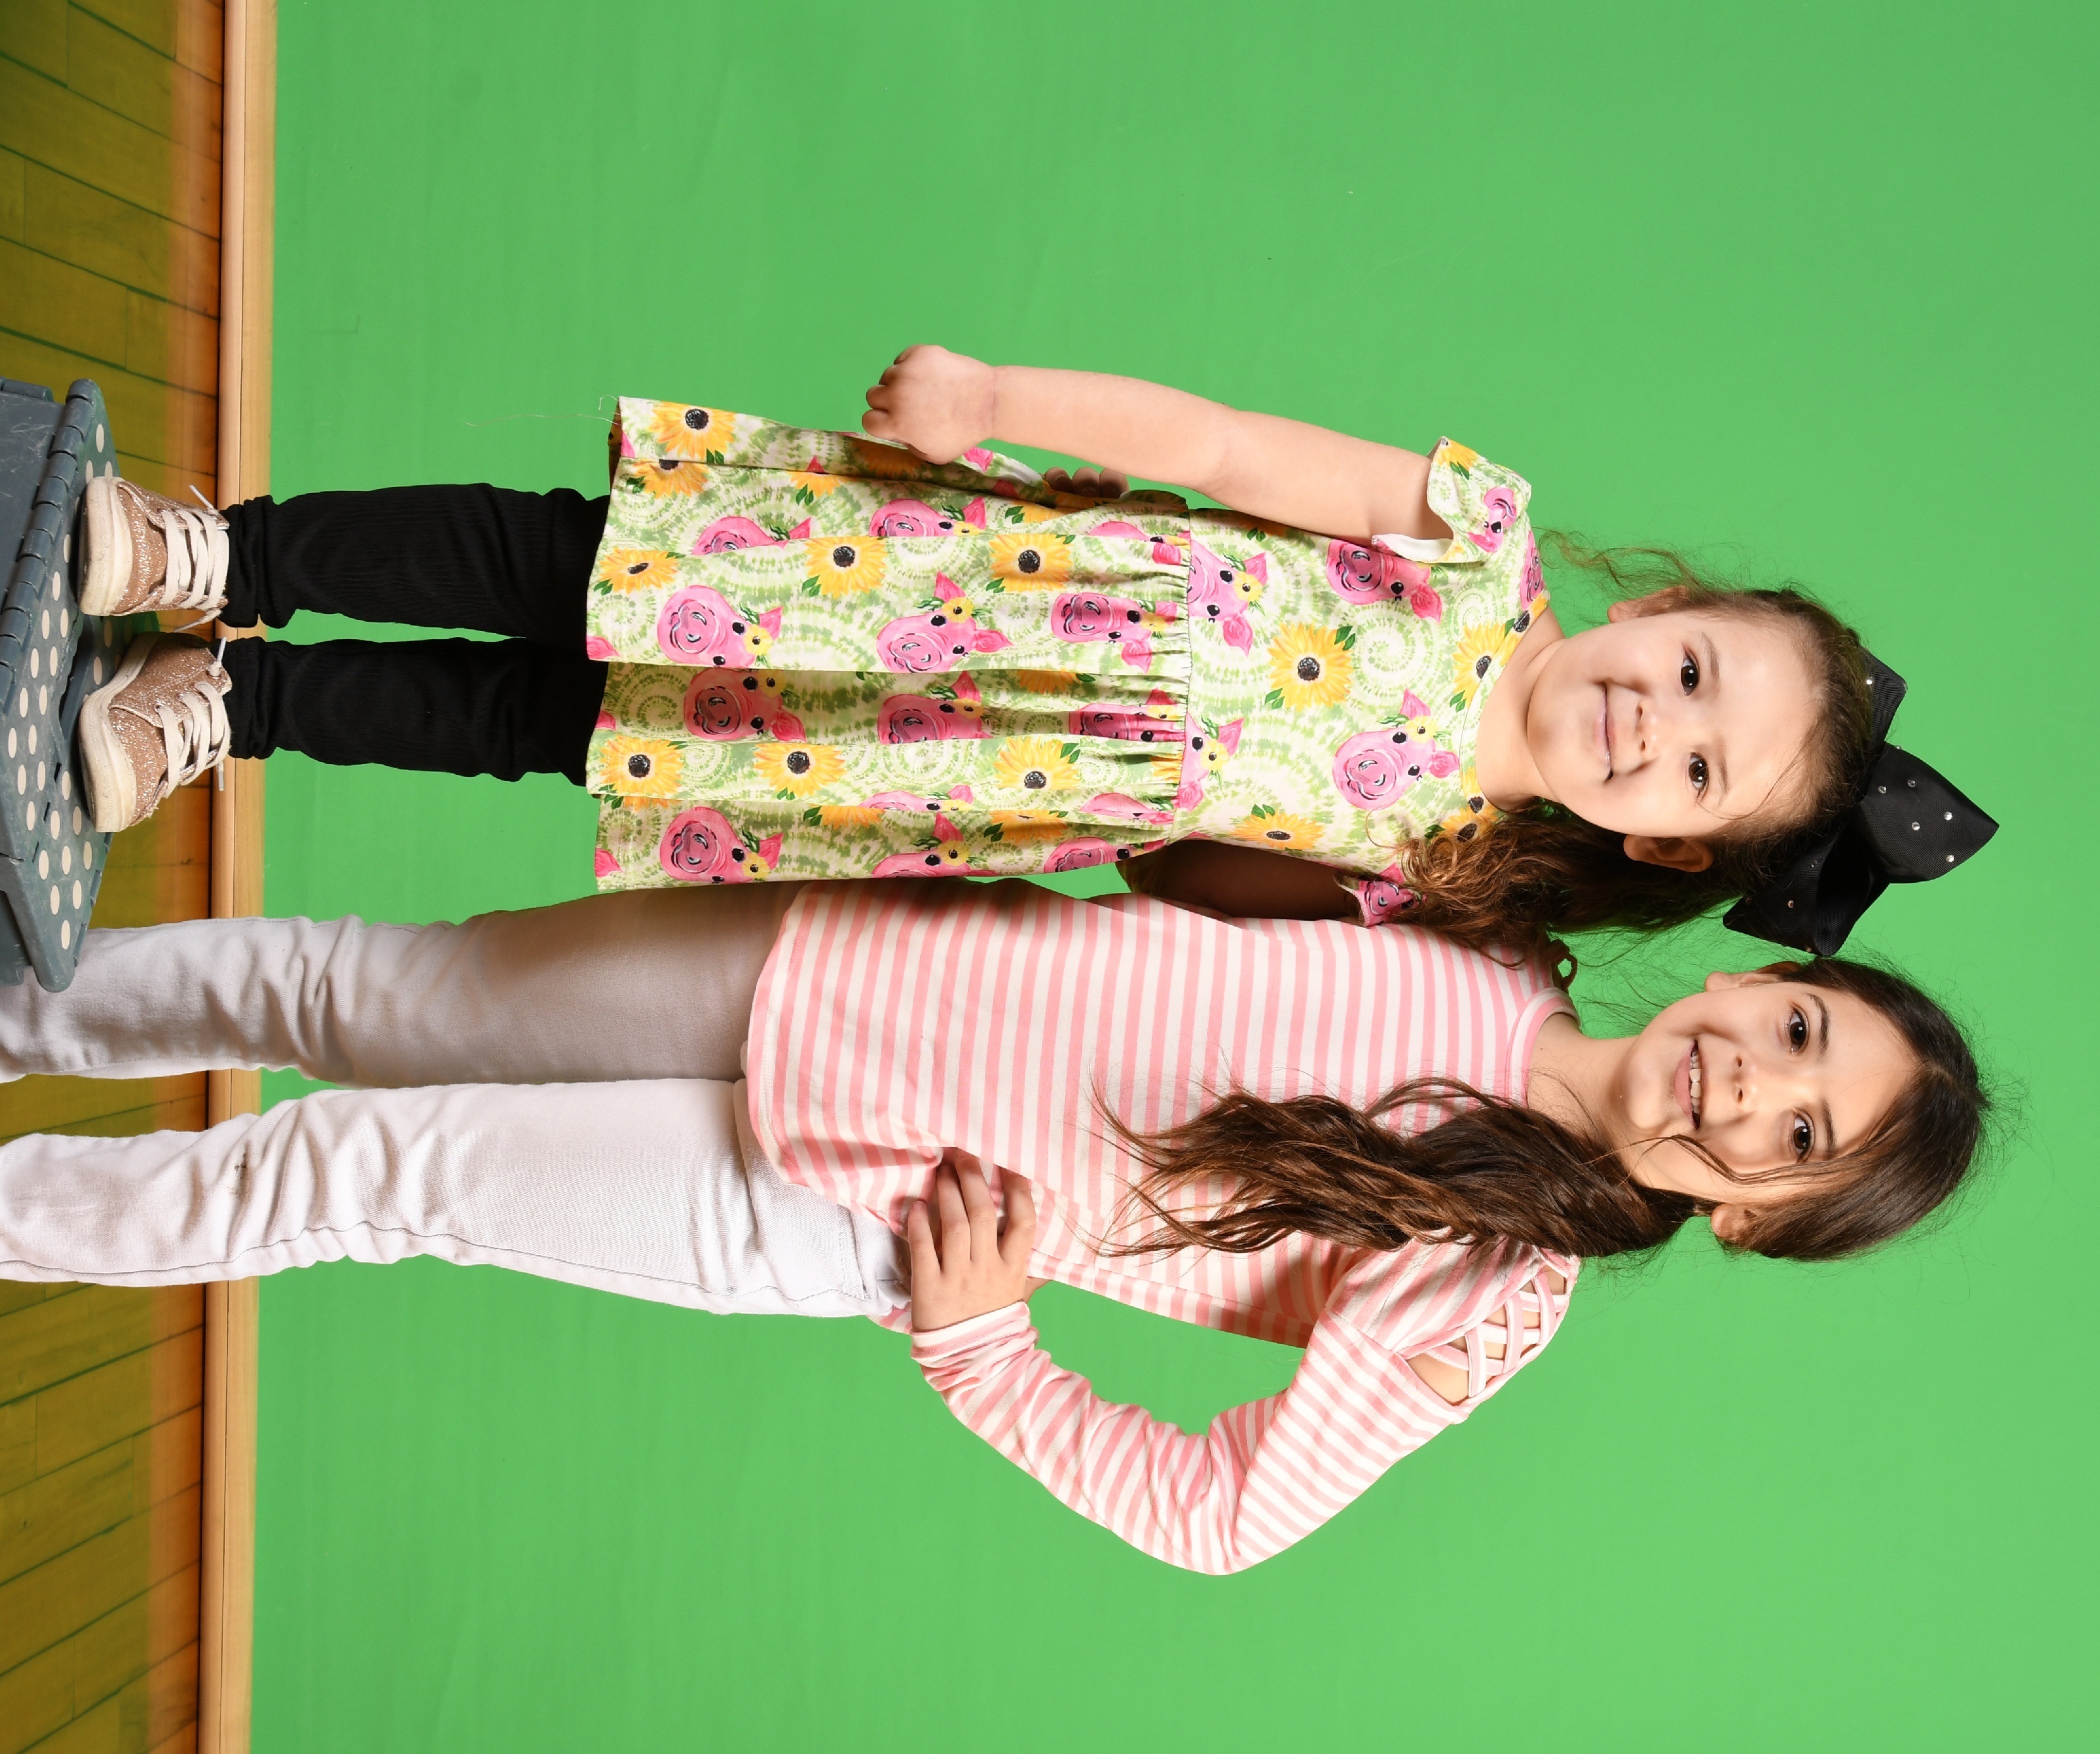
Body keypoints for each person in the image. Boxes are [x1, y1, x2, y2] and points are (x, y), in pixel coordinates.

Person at [0, 877, 1989, 1573]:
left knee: (357, 1174)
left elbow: (1228, 1517)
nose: (1751, 1089)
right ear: (1759, 976)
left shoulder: (1496, 1288)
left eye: (1801, 1141)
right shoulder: (1490, 920)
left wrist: (986, 1350)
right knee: (360, 986)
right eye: (1798, 1035)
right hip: (842, 957)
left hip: (845, 1196)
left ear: (1757, 1224)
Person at [70, 346, 1991, 954]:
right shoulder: (1471, 543)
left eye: (1695, 773)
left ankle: (238, 700)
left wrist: (1320, 908)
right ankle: (222, 550)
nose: (1651, 723)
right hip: (934, 571)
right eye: (1692, 671)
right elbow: (1226, 449)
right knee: (566, 560)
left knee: (559, 728)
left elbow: (1174, 879)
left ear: (1662, 840)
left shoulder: (1435, 871)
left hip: (950, 767)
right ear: (1660, 610)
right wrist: (997, 400)